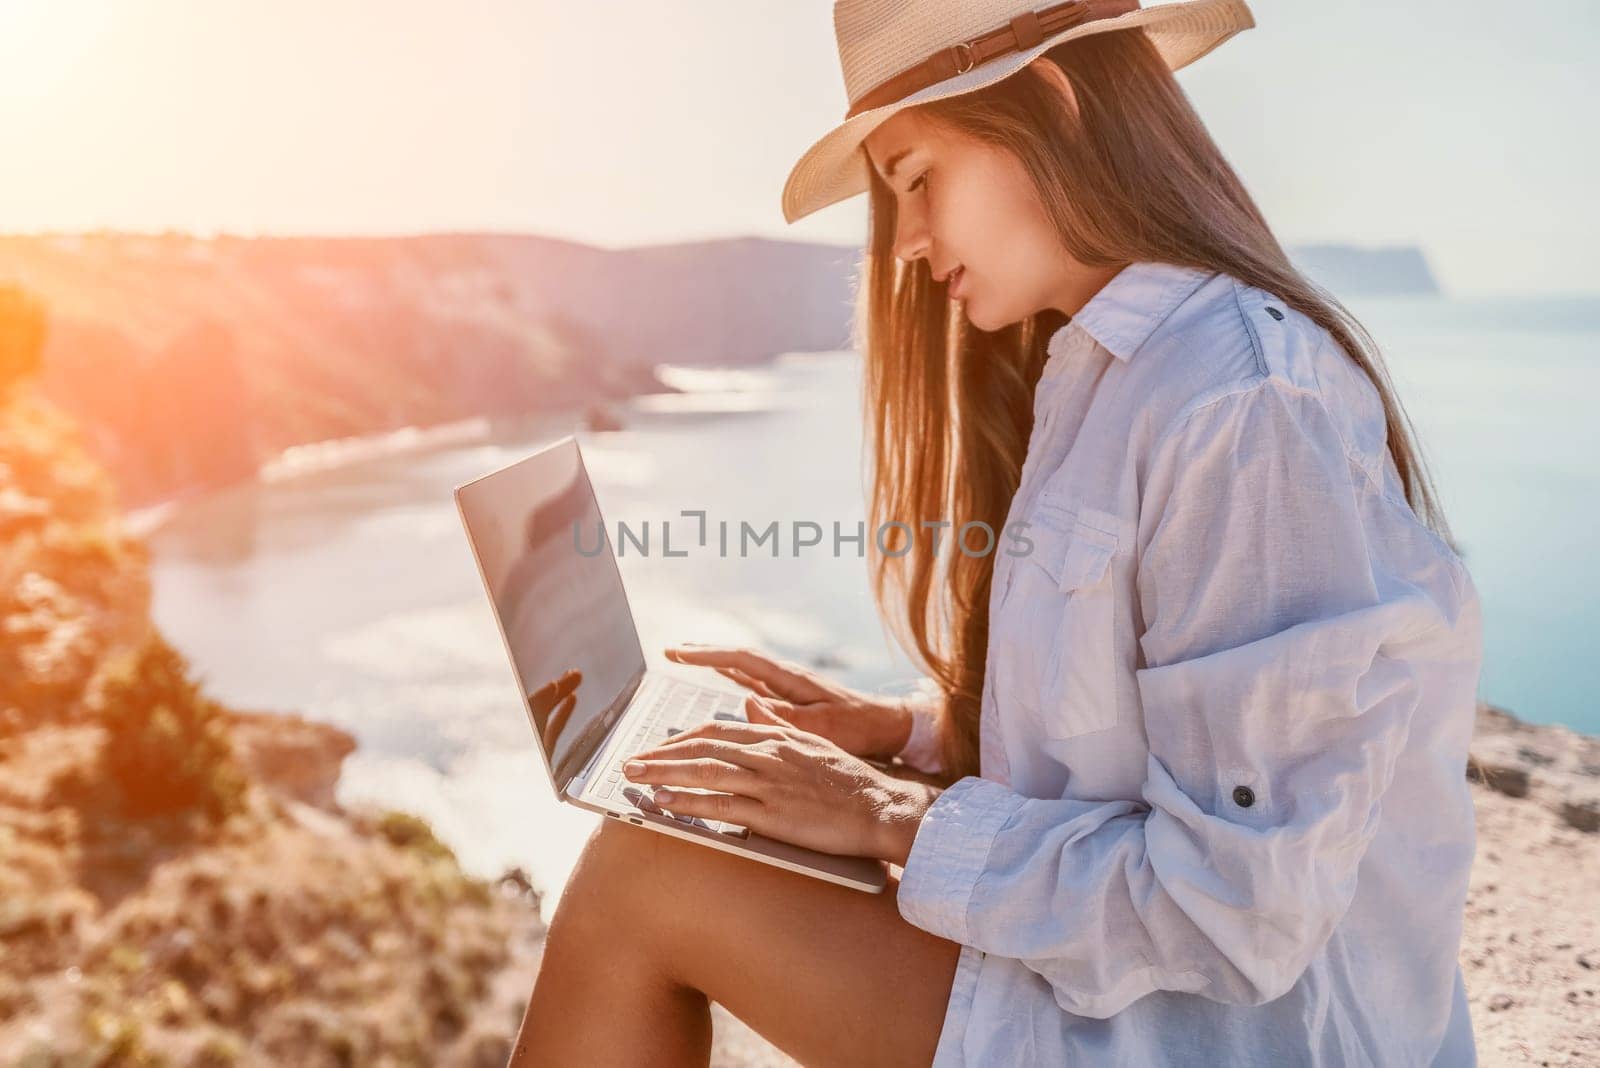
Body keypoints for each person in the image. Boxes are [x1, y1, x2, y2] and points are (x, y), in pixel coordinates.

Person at [511, 0, 1484, 1064]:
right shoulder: (1106, 376)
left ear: (1052, 106)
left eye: (917, 178)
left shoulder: (1238, 401)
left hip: (1239, 1032)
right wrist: (897, 733)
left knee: (644, 881)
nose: (910, 245)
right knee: (656, 851)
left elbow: (1240, 906)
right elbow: (1135, 724)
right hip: (1145, 995)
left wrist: (885, 814)